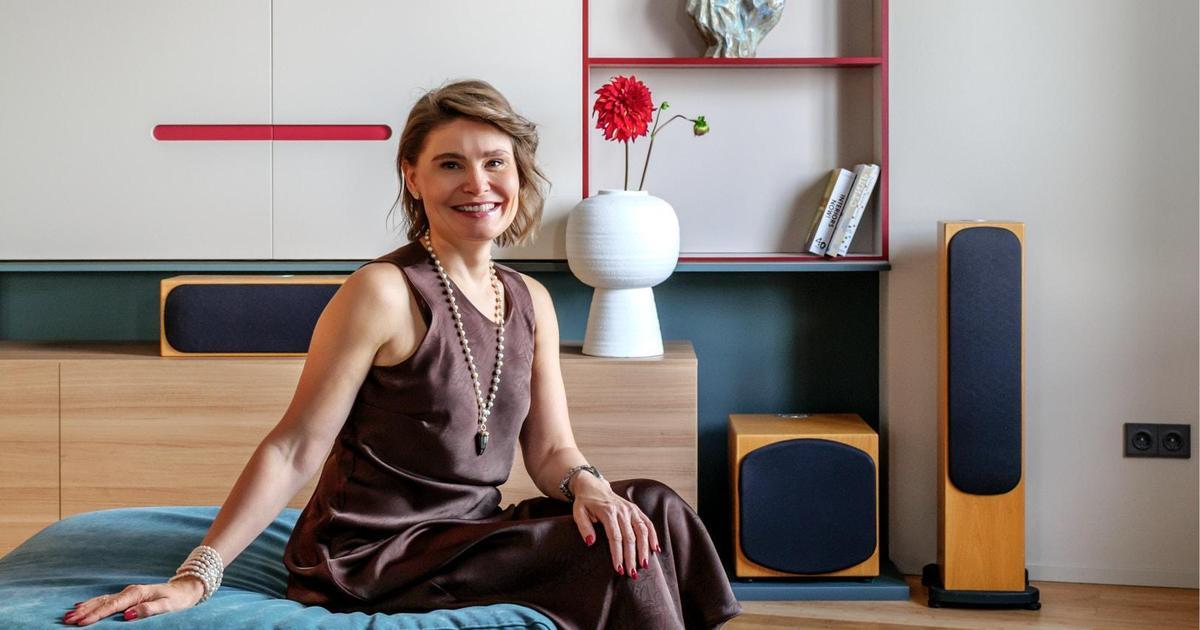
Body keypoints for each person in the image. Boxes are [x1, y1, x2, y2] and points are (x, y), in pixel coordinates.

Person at [63, 79, 742, 629]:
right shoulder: (383, 292)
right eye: (450, 164)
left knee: (652, 510)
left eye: (494, 162)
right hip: (372, 557)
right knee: (607, 557)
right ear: (412, 176)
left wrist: (589, 484)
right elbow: (294, 447)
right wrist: (197, 575)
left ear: (519, 174)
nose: (477, 183)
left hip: (469, 537)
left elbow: (551, 451)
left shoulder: (529, 298)